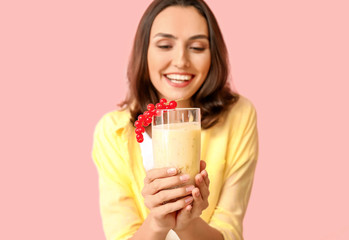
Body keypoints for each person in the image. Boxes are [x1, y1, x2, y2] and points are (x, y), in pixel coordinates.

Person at [92, 0, 259, 239]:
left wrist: (188, 225)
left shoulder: (238, 116)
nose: (181, 61)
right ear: (145, 51)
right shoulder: (113, 131)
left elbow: (229, 231)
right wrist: (157, 223)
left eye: (198, 47)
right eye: (165, 45)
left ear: (213, 55)